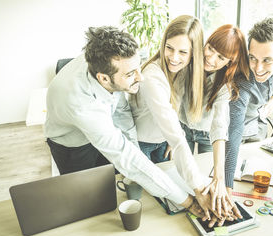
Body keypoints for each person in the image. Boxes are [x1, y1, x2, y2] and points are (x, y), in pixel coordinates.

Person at [44, 26, 203, 216]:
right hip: (72, 145)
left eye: (138, 67)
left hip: (103, 126)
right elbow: (125, 156)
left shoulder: (108, 62)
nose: (141, 77)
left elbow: (121, 112)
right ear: (103, 79)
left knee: (109, 190)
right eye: (130, 74)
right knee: (85, 201)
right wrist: (188, 202)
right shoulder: (80, 102)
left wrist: (137, 151)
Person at [129, 16, 212, 218]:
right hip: (142, 143)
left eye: (183, 52)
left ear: (194, 53)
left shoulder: (184, 71)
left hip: (162, 142)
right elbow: (175, 135)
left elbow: (174, 110)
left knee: (166, 200)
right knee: (147, 202)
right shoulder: (152, 76)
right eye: (169, 48)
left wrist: (169, 137)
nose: (174, 57)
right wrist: (200, 190)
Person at [177, 24, 249, 225]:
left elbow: (219, 125)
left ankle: (215, 205)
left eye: (221, 58)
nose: (211, 58)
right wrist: (171, 137)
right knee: (186, 177)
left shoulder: (225, 84)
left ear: (230, 61)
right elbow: (173, 101)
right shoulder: (187, 63)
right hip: (182, 129)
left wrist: (220, 177)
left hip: (207, 135)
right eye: (210, 49)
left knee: (209, 180)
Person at [225, 18, 273, 191]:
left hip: (259, 122)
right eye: (253, 58)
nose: (257, 68)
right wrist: (227, 187)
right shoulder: (243, 78)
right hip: (236, 122)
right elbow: (234, 130)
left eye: (267, 60)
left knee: (260, 169)